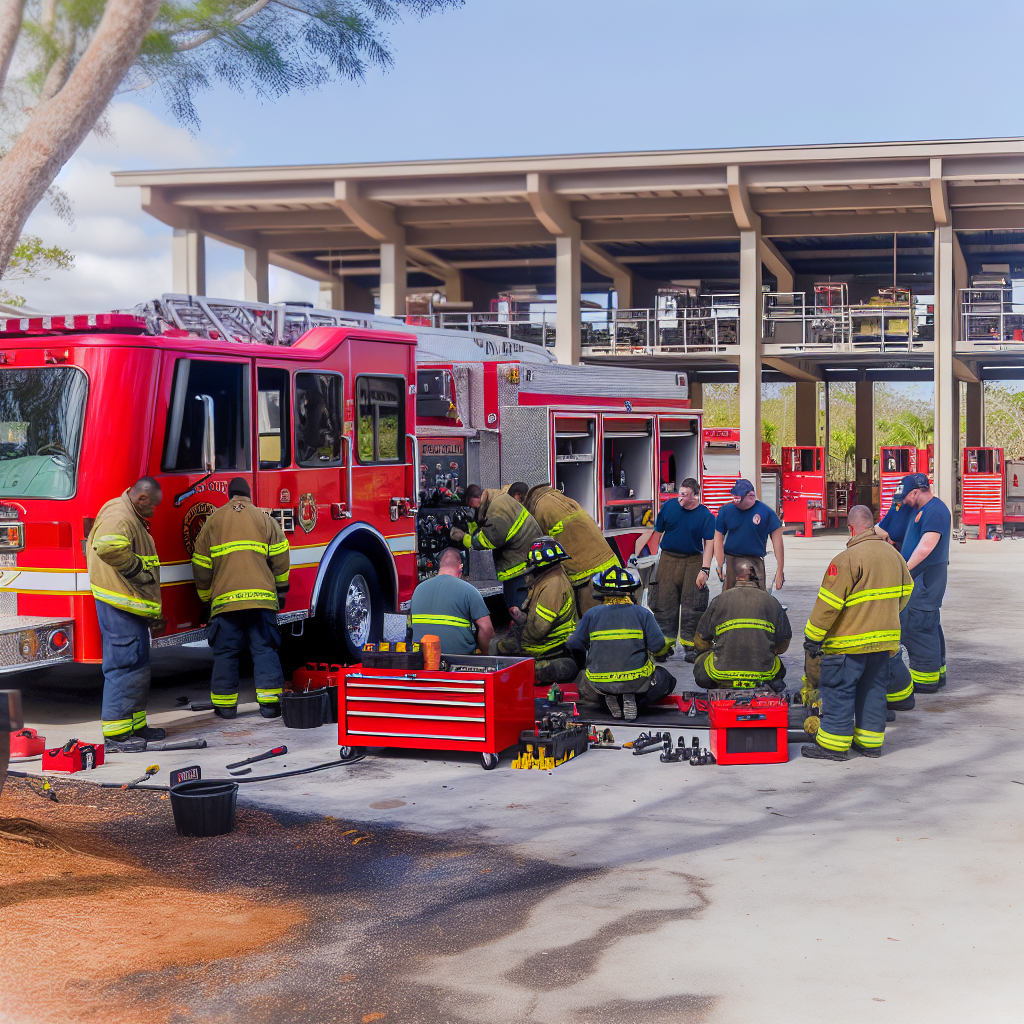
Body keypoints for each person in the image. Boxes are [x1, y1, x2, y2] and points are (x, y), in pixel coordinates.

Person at [800, 505, 914, 760]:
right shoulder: (894, 555)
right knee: (873, 691)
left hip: (848, 644)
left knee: (839, 690)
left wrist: (813, 637)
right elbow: (907, 591)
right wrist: (885, 618)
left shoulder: (847, 559)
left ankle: (833, 746)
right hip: (883, 643)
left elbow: (828, 605)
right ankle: (870, 744)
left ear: (851, 528)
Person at [191, 478, 290, 719]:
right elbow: (281, 556)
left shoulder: (213, 520)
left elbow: (201, 564)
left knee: (226, 653)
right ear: (248, 495)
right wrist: (281, 590)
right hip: (261, 601)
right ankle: (270, 706)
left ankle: (225, 708)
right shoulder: (264, 519)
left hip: (226, 603)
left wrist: (206, 599)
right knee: (264, 650)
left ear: (229, 495)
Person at [87, 477, 167, 752]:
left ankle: (135, 726)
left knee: (137, 666)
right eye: (153, 505)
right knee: (124, 664)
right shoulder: (120, 515)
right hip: (120, 605)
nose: (154, 510)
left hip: (129, 605)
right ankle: (117, 736)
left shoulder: (127, 513)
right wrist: (135, 570)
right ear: (142, 498)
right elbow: (107, 547)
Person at [566, 565, 675, 721]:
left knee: (581, 678)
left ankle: (608, 698)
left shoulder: (591, 614)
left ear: (601, 592)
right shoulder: (642, 613)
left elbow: (574, 644)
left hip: (600, 683)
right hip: (636, 682)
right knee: (666, 679)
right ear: (629, 591)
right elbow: (657, 646)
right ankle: (631, 698)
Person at [633, 477, 715, 662]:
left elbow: (709, 543)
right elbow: (657, 533)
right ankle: (662, 646)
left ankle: (690, 646)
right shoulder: (669, 507)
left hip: (693, 561)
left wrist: (705, 569)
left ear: (695, 496)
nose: (680, 498)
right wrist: (649, 558)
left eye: (685, 495)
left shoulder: (706, 516)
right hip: (668, 559)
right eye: (680, 493)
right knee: (664, 602)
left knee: (693, 604)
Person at [692, 558, 791, 691]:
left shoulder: (719, 601)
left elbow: (700, 641)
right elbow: (783, 644)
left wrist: (716, 649)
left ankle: (723, 684)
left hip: (721, 674)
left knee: (700, 666)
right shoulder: (772, 602)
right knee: (780, 669)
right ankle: (763, 683)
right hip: (763, 674)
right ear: (758, 578)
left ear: (734, 577)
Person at [522, 482, 618, 616]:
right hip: (610, 565)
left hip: (588, 575)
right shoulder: (559, 499)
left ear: (518, 498)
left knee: (593, 621)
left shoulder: (539, 509)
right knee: (613, 616)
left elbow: (538, 554)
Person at [450, 484, 542, 617]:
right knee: (513, 602)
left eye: (471, 505)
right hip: (522, 558)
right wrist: (472, 523)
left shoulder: (497, 506)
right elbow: (483, 530)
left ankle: (522, 628)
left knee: (516, 605)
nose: (472, 509)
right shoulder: (496, 501)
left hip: (520, 564)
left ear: (476, 497)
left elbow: (490, 539)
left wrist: (464, 538)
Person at [897, 472, 951, 695]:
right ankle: (938, 672)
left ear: (915, 492)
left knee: (918, 626)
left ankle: (925, 680)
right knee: (928, 623)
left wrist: (904, 569)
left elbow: (927, 545)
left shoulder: (935, 510)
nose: (904, 501)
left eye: (906, 497)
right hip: (922, 581)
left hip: (925, 581)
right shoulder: (922, 510)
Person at [498, 538, 578, 682]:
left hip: (549, 650)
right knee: (499, 648)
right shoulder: (548, 579)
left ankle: (532, 672)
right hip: (547, 646)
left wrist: (519, 643)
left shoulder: (552, 586)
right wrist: (521, 617)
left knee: (500, 654)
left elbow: (537, 631)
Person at [410, 547, 494, 655]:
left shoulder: (418, 590)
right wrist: (486, 653)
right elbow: (486, 628)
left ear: (440, 566)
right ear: (461, 567)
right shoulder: (469, 591)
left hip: (422, 657)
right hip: (459, 658)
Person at [713, 479, 784, 591]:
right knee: (729, 597)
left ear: (751, 496)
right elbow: (718, 536)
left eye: (739, 498)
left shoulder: (767, 513)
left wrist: (779, 571)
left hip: (755, 561)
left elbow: (778, 543)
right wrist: (720, 564)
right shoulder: (726, 511)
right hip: (731, 560)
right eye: (734, 497)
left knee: (758, 597)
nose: (735, 501)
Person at [875, 482, 914, 554]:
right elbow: (880, 528)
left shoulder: (919, 513)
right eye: (898, 502)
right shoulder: (895, 508)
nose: (899, 504)